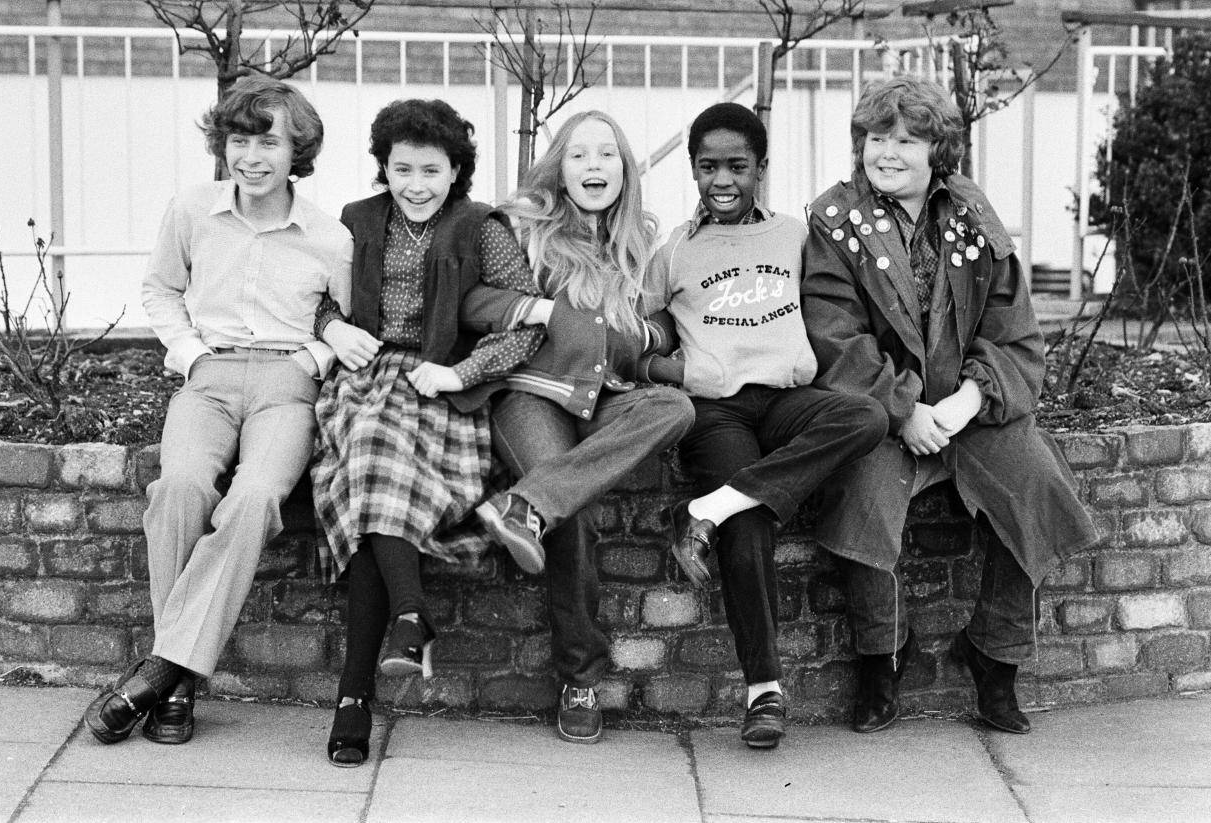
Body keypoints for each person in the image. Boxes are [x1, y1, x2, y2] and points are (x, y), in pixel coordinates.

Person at [801, 76, 1099, 736]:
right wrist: (904, 408)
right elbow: (832, 335)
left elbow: (1009, 327)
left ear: (938, 148)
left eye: (907, 140)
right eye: (877, 137)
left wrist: (969, 399)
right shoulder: (834, 221)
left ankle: (994, 655)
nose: (888, 152)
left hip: (968, 408)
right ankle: (881, 656)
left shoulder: (970, 213)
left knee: (1033, 483)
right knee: (862, 497)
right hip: (881, 412)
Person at [84, 77, 353, 746]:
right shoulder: (191, 211)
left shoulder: (329, 237)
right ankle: (176, 682)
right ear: (222, 145)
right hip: (208, 376)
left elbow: (345, 322)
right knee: (177, 489)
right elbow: (160, 288)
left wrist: (312, 362)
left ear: (298, 151)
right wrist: (190, 352)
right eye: (239, 140)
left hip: (287, 385)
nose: (252, 156)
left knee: (257, 496)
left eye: (269, 141)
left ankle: (160, 672)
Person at [644, 102, 889, 749]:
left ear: (760, 168)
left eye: (736, 166)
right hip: (717, 411)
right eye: (707, 167)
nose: (721, 180)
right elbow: (633, 338)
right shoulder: (674, 248)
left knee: (865, 413)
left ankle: (707, 506)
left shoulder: (793, 235)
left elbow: (841, 301)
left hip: (788, 399)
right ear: (693, 170)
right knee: (747, 524)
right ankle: (763, 692)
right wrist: (674, 369)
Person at [313, 99, 546, 767]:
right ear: (383, 168)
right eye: (401, 168)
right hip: (366, 379)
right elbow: (313, 292)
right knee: (369, 459)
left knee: (370, 475)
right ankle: (409, 617)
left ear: (455, 171)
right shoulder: (355, 221)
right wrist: (334, 327)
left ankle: (352, 697)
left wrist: (463, 372)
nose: (415, 184)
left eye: (431, 170)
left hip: (444, 388)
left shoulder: (482, 228)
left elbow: (526, 321)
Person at [471, 111, 695, 744]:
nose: (594, 168)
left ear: (625, 169)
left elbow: (642, 348)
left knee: (674, 408)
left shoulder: (640, 250)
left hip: (609, 400)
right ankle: (581, 678)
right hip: (533, 395)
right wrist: (544, 309)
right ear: (558, 167)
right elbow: (472, 303)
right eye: (579, 156)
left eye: (607, 156)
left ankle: (524, 507)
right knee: (576, 515)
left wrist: (656, 348)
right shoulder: (521, 228)